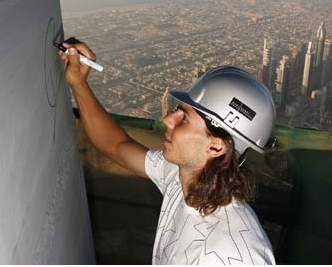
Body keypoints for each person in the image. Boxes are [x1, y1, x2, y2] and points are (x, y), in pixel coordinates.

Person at [59, 40, 277, 265]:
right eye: (177, 110)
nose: (167, 119)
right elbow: (115, 145)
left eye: (184, 118)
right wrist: (78, 83)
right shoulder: (182, 178)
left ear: (216, 146)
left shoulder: (230, 255)